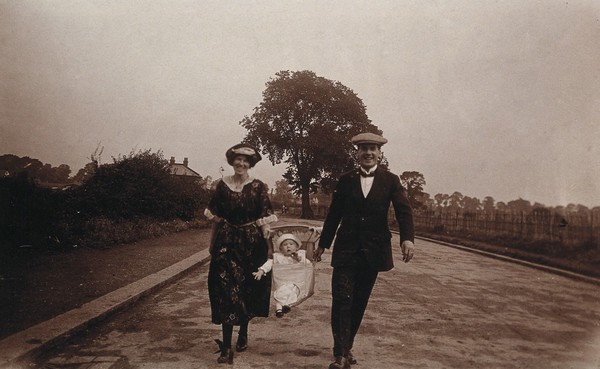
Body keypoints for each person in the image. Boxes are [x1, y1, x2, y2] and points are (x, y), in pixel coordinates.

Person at [313, 132, 415, 369]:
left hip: (373, 250)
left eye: (372, 148)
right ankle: (339, 353)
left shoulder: (391, 180)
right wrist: (322, 244)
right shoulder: (346, 180)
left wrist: (407, 240)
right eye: (363, 148)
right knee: (342, 298)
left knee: (359, 301)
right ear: (356, 153)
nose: (368, 152)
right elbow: (334, 215)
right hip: (346, 249)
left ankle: (346, 347)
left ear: (380, 153)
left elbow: (404, 211)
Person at [204, 143, 278, 364]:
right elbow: (216, 219)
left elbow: (264, 221)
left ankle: (243, 329)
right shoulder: (222, 186)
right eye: (238, 159)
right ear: (232, 160)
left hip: (252, 244)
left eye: (246, 161)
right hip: (226, 243)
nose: (241, 163)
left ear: (250, 164)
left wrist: (270, 250)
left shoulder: (258, 187)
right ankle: (226, 348)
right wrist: (211, 245)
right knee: (226, 291)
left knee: (247, 288)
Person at [253, 233, 311, 317]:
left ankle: (287, 306)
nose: (288, 246)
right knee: (281, 292)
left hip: (295, 280)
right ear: (280, 248)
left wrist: (297, 258)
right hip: (281, 280)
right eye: (285, 244)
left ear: (296, 247)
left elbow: (306, 263)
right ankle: (279, 309)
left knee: (293, 292)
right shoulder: (278, 257)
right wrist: (261, 271)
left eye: (291, 244)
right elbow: (269, 263)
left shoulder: (298, 256)